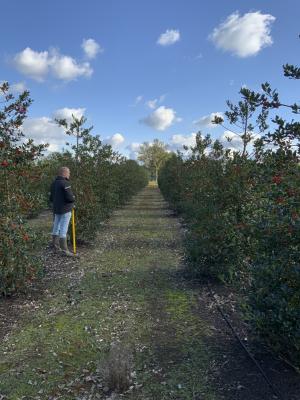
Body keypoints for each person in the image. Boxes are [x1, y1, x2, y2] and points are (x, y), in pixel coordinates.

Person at [49, 166, 77, 257]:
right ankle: (65, 250)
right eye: (68, 173)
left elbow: (51, 198)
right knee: (63, 229)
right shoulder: (65, 183)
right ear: (64, 173)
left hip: (56, 209)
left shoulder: (53, 183)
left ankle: (55, 246)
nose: (69, 174)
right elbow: (69, 197)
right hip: (66, 209)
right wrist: (73, 198)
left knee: (56, 226)